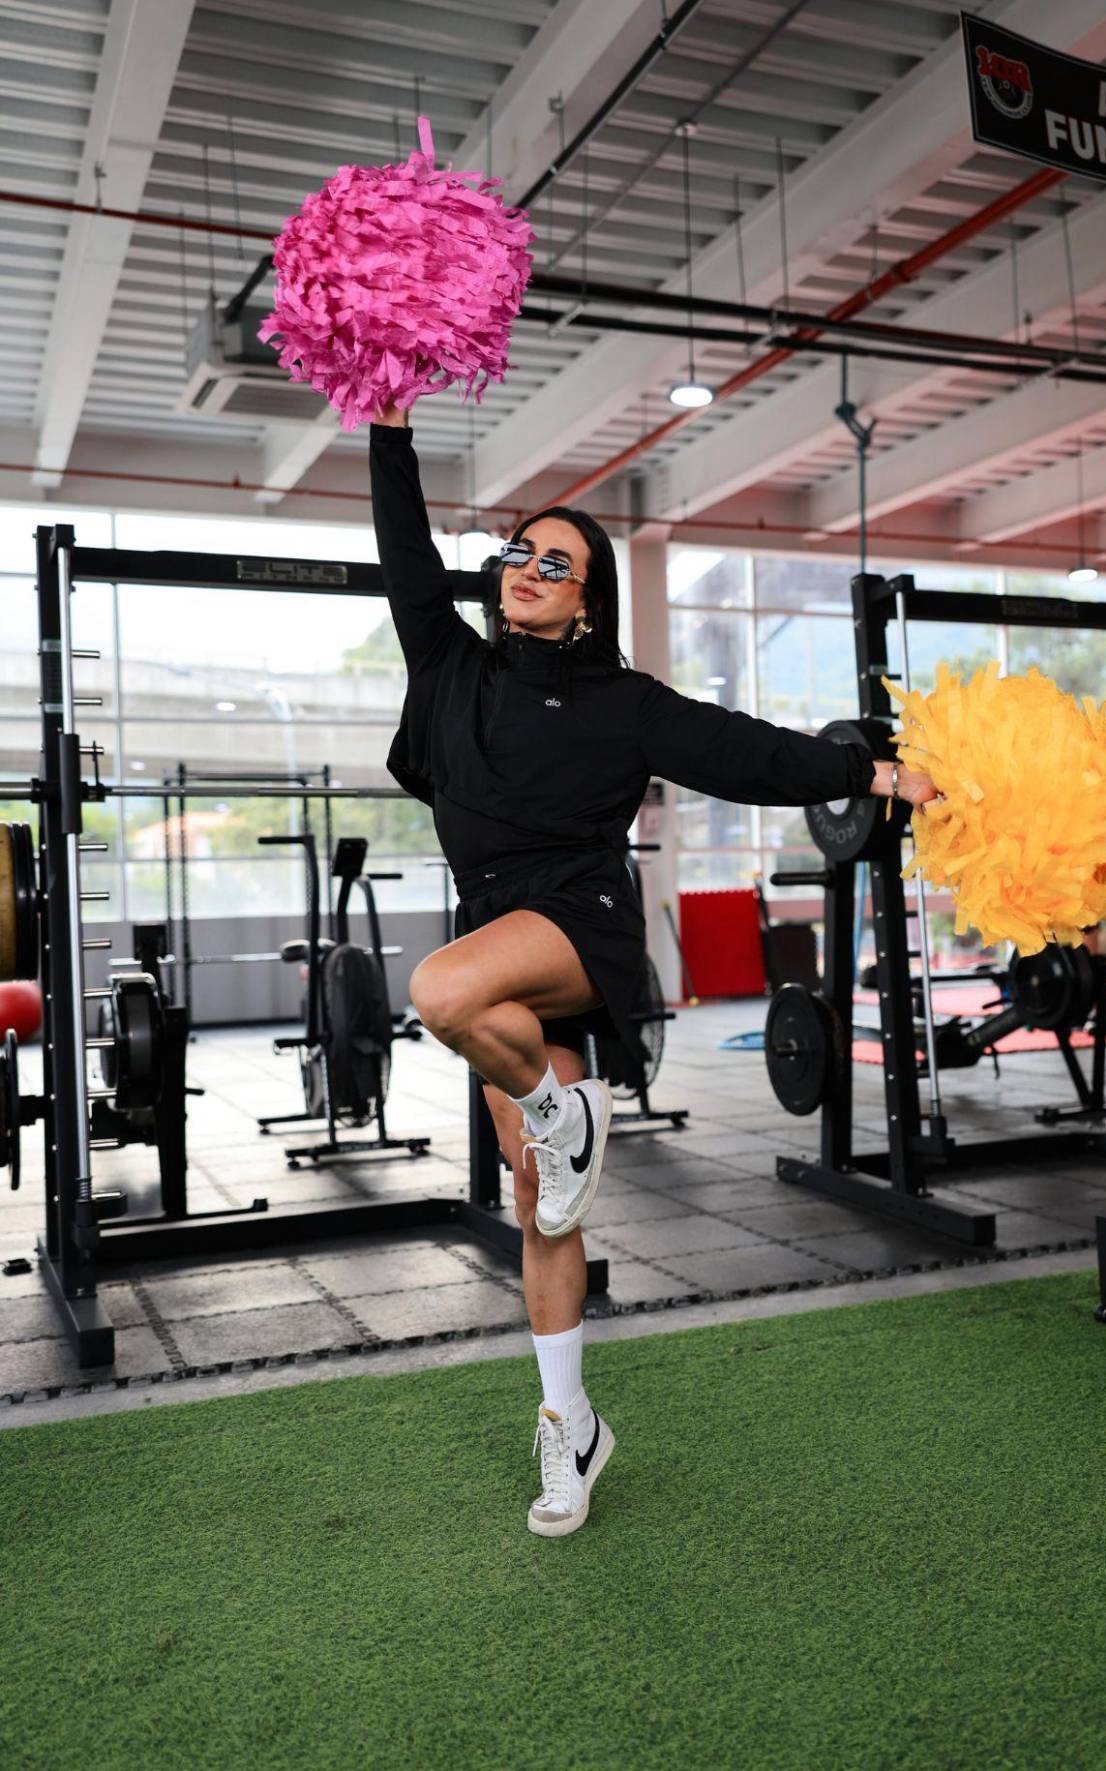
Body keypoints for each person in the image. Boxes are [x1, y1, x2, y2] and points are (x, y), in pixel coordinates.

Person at [370, 404, 936, 1537]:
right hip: (497, 930)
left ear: (588, 599)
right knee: (542, 1205)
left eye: (557, 562)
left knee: (437, 992)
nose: (529, 569)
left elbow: (742, 751)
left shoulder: (622, 704)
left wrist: (870, 772)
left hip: (576, 926)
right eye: (520, 553)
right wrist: (389, 424)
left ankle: (557, 1108)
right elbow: (404, 549)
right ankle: (570, 1424)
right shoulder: (450, 664)